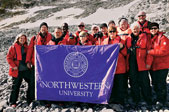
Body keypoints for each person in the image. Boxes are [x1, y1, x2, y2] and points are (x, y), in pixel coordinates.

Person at [126, 22, 153, 109]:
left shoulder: (145, 37)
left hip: (142, 63)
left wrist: (149, 63)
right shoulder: (128, 38)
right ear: (131, 30)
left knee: (145, 81)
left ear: (140, 29)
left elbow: (149, 51)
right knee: (133, 81)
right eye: (134, 29)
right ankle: (136, 99)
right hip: (132, 62)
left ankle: (148, 99)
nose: (135, 30)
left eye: (137, 28)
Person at [26, 22, 52, 107]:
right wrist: (28, 61)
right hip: (36, 63)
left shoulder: (51, 37)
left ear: (47, 29)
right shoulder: (34, 38)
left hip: (47, 65)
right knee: (33, 81)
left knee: (46, 82)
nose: (43, 29)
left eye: (45, 27)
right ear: (40, 29)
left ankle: (46, 99)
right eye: (42, 27)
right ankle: (30, 99)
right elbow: (30, 50)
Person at [102, 27, 127, 110]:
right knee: (110, 85)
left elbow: (126, 53)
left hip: (119, 67)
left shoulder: (121, 41)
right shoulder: (104, 41)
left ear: (116, 32)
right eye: (110, 32)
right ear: (108, 33)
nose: (112, 33)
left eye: (113, 31)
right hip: (109, 68)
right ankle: (111, 101)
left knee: (119, 85)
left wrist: (122, 47)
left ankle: (120, 101)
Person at [6, 34, 34, 107]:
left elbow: (30, 56)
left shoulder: (27, 47)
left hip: (26, 70)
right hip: (17, 70)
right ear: (18, 39)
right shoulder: (12, 47)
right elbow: (9, 58)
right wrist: (13, 66)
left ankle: (30, 100)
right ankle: (13, 102)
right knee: (15, 86)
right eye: (21, 38)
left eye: (24, 38)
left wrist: (30, 63)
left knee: (32, 83)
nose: (22, 39)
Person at [148, 22, 169, 109]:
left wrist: (150, 52)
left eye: (155, 28)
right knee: (155, 83)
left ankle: (162, 100)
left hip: (162, 66)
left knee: (161, 83)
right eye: (151, 29)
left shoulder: (163, 38)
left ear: (158, 29)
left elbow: (164, 51)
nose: (153, 30)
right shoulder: (151, 38)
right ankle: (158, 99)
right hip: (154, 66)